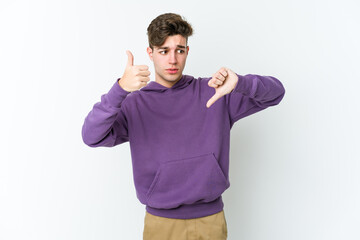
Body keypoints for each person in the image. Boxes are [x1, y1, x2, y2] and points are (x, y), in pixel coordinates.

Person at [81, 12, 285, 240]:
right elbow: (91, 136)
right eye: (163, 51)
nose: (172, 60)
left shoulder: (215, 92)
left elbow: (276, 93)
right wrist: (119, 89)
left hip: (211, 219)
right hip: (161, 223)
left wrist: (241, 82)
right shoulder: (134, 103)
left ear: (187, 51)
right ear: (150, 53)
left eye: (179, 50)